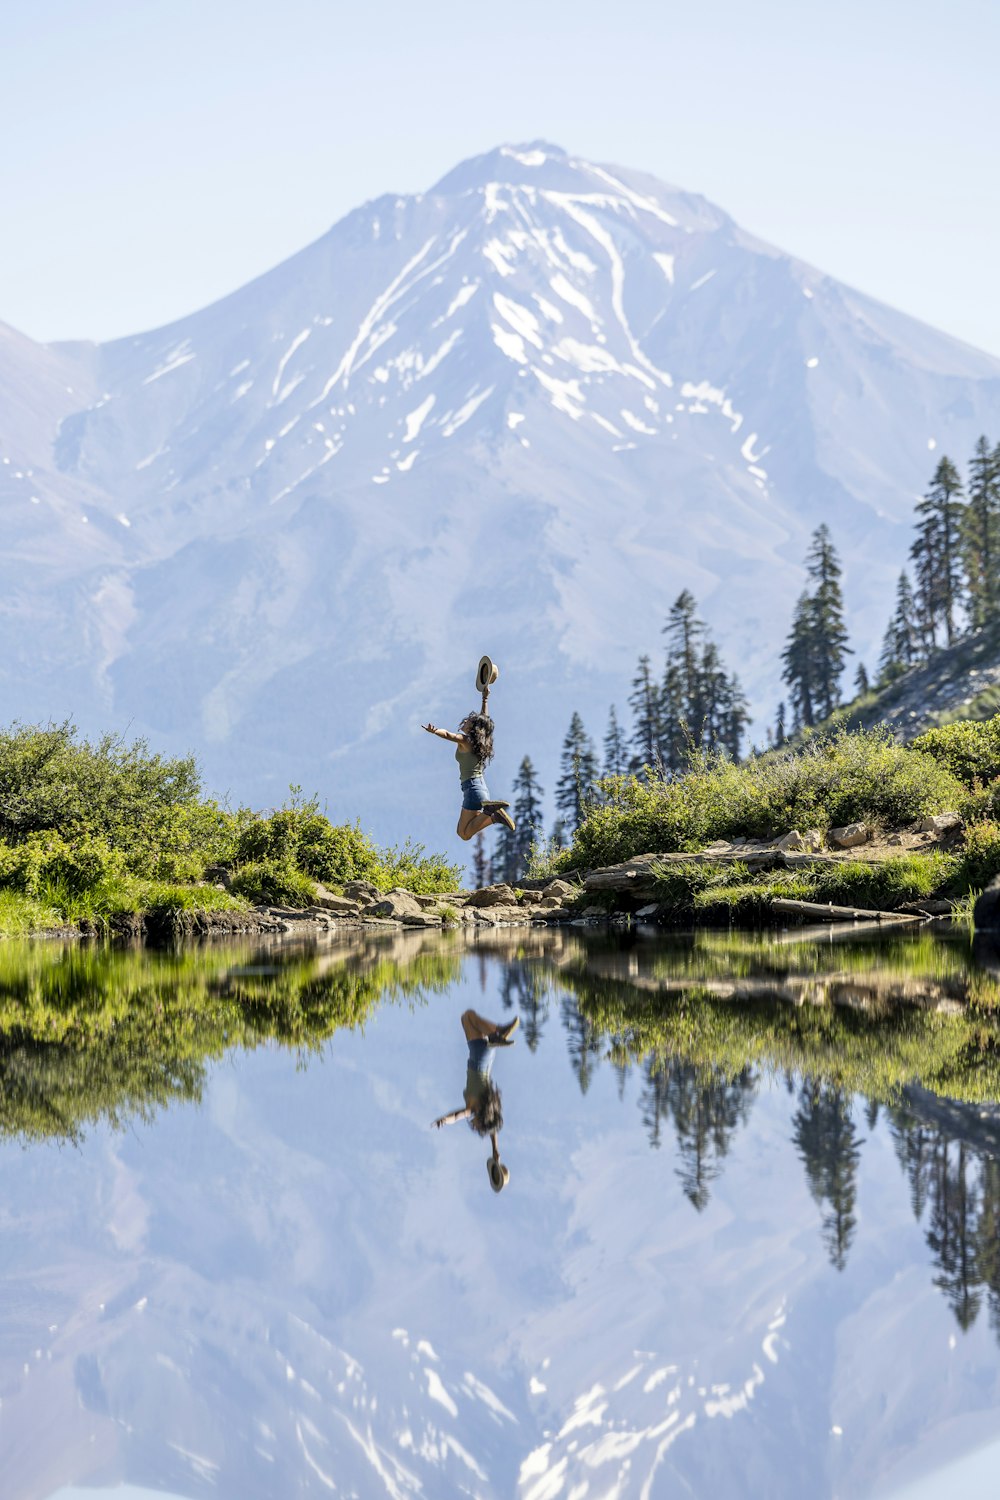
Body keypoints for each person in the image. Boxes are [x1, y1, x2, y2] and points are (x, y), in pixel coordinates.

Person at [433, 1009, 518, 1192]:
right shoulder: (475, 1109)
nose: (476, 1125)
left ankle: (497, 1033)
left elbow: (494, 1132)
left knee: (470, 1019)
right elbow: (457, 1115)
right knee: (467, 1017)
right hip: (478, 1058)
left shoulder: (490, 1108)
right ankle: (497, 1032)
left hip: (487, 1060)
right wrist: (444, 1121)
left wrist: (496, 1153)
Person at [422, 712, 517, 841]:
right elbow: (484, 719)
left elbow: (447, 734)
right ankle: (494, 816)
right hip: (481, 789)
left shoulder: (465, 740)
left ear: (473, 728)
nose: (465, 720)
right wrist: (485, 699)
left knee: (464, 834)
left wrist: (435, 731)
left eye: (469, 721)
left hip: (472, 789)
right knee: (463, 832)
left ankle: (491, 812)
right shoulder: (482, 742)